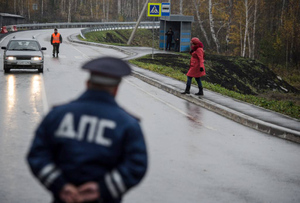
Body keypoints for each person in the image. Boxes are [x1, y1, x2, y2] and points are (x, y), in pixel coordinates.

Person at [27, 57, 148, 203]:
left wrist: (61, 185)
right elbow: (137, 165)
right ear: (116, 89)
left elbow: (37, 155)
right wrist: (101, 189)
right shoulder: (127, 124)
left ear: (88, 83)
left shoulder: (58, 115)